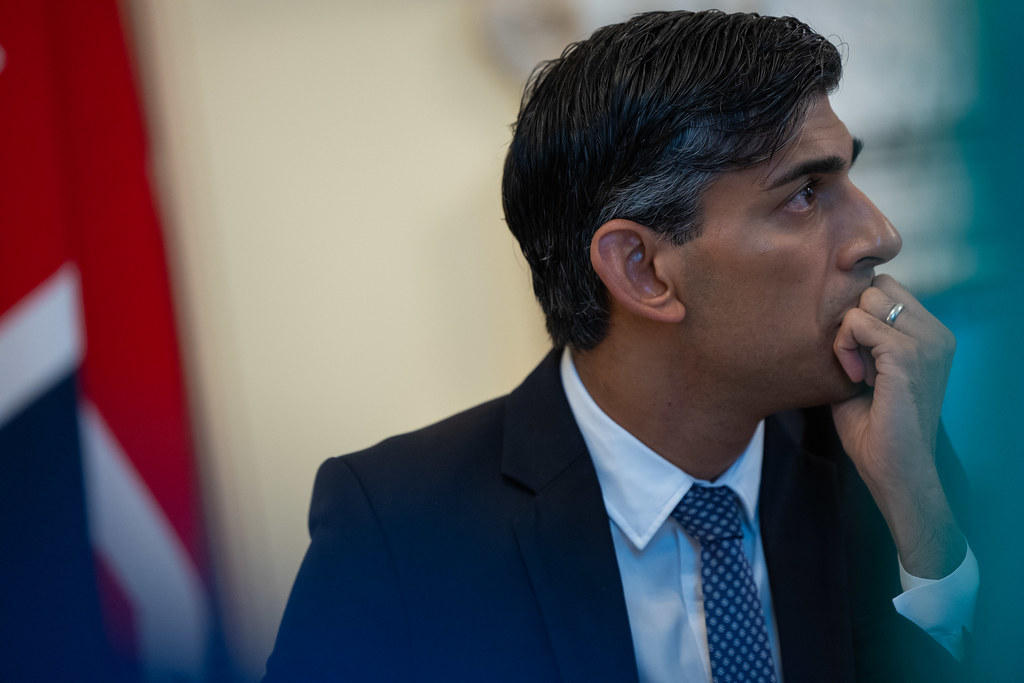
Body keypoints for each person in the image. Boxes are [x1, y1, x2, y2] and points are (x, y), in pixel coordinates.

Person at [264, 10, 977, 682]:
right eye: (805, 194)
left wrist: (924, 525)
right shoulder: (402, 528)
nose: (880, 235)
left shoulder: (890, 456)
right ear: (643, 270)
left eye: (849, 174)